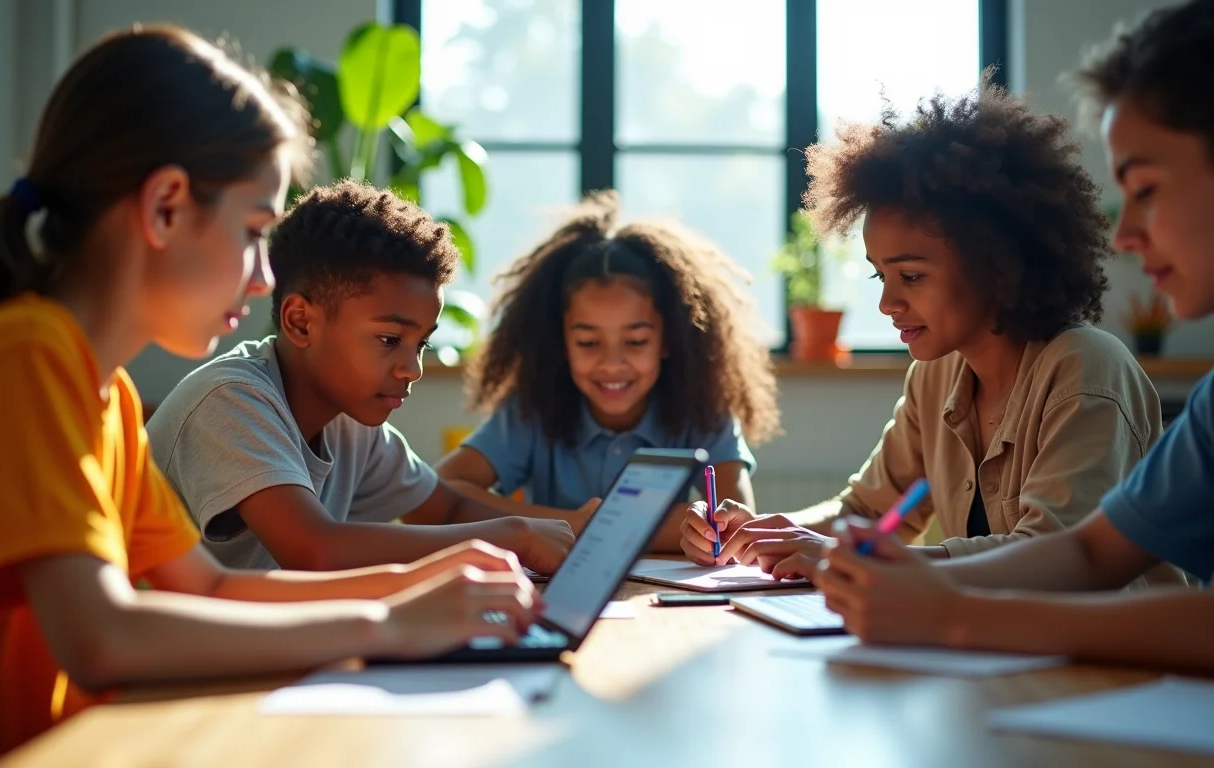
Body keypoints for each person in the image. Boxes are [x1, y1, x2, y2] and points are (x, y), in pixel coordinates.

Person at [0, 27, 540, 767]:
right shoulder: (24, 355)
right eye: (254, 231)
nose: (262, 280)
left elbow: (213, 589)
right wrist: (387, 625)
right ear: (165, 206)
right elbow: (100, 637)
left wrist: (423, 589)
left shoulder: (108, 395)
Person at [815, 0, 1214, 670]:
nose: (1123, 234)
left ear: (994, 262)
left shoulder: (1083, 366)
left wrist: (946, 610)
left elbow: (1083, 558)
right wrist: (846, 559)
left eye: (1146, 189)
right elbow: (1089, 550)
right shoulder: (1209, 408)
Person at [682, 73, 1184, 589]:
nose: (887, 303)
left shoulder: (1084, 368)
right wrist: (764, 532)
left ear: (996, 265)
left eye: (912, 277)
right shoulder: (937, 374)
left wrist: (842, 555)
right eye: (880, 276)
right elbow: (866, 513)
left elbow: (1057, 557)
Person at [148, 180, 576, 573]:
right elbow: (316, 549)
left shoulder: (348, 420)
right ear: (300, 322)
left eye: (421, 344)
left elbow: (446, 510)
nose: (413, 368)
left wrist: (573, 527)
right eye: (390, 339)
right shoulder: (230, 400)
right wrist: (510, 537)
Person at [436, 191, 781, 551]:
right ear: (561, 340)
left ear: (669, 340)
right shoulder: (531, 411)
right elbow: (437, 495)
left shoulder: (704, 411)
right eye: (588, 342)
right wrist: (575, 525)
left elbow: (735, 525)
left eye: (636, 342)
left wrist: (581, 528)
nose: (612, 364)